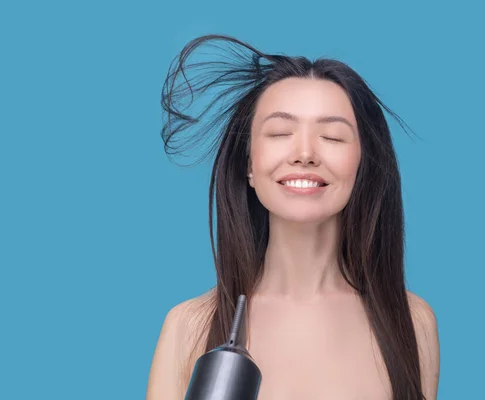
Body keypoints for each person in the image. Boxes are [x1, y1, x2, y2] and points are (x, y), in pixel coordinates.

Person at [146, 34, 440, 400]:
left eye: (332, 137)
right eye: (281, 133)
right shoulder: (189, 327)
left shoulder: (412, 323)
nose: (304, 153)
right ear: (249, 165)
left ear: (363, 165)